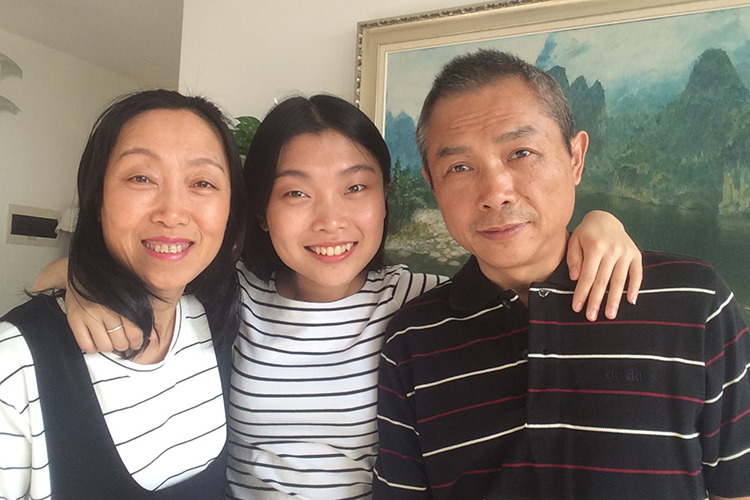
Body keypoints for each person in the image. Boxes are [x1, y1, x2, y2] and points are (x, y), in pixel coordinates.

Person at [34, 94, 642, 500]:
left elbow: (525, 271)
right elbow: (75, 272)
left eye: (356, 187)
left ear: (385, 201)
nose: (331, 221)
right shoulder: (232, 295)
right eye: (296, 194)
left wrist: (600, 226)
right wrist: (86, 289)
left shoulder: (417, 303)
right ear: (263, 213)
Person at [371, 49, 750, 500]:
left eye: (521, 152)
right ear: (432, 184)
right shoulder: (413, 341)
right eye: (460, 166)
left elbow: (737, 487)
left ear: (575, 158)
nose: (495, 192)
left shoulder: (695, 301)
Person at [0, 89, 248, 499]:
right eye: (141, 177)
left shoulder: (215, 316)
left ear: (230, 211)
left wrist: (73, 273)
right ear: (97, 199)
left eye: (202, 182)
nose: (172, 211)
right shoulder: (15, 361)